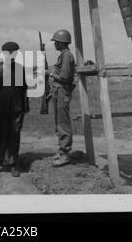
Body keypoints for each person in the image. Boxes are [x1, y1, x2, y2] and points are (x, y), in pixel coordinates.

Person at [0, 42, 29, 177]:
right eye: (9, 52)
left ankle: (13, 162)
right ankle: (1, 159)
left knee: (14, 135)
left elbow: (23, 90)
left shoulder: (20, 69)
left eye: (14, 52)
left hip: (16, 108)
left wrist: (25, 107)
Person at [47, 29, 76, 167]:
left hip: (63, 92)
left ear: (61, 42)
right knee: (59, 122)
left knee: (63, 123)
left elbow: (64, 77)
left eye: (56, 42)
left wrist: (50, 74)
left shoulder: (66, 56)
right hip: (59, 92)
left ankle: (65, 153)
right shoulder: (64, 55)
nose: (54, 45)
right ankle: (62, 150)